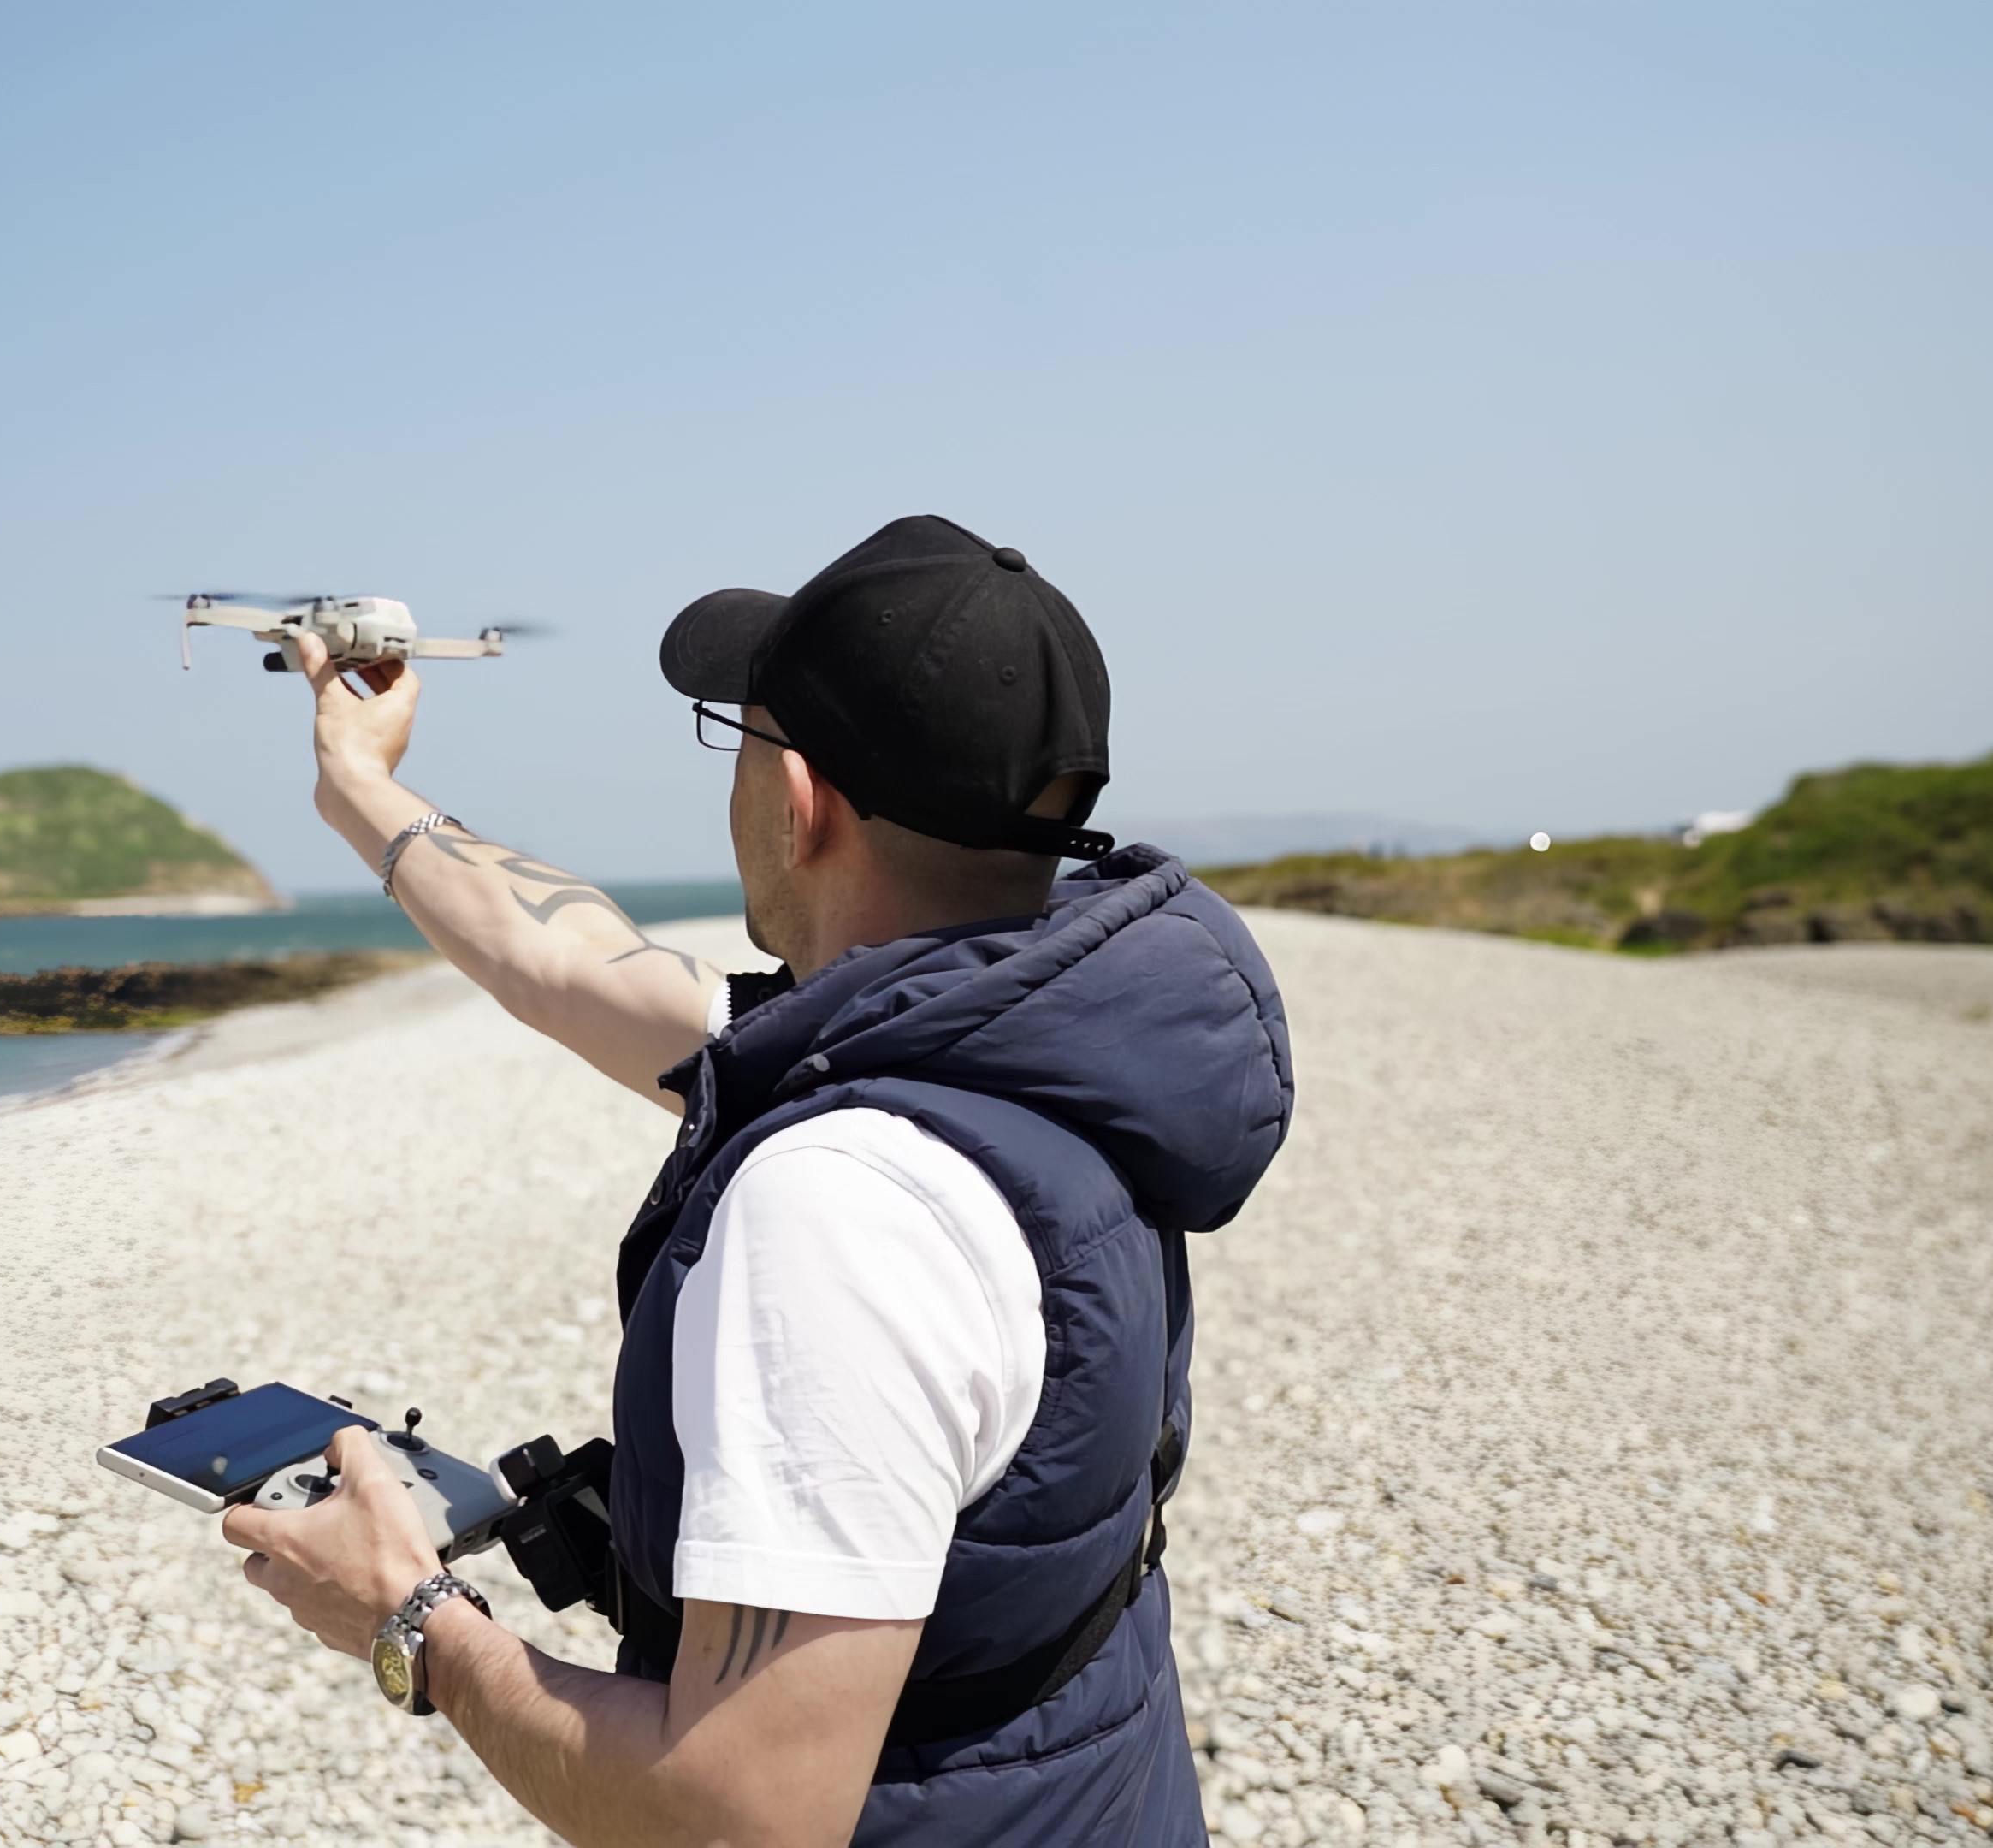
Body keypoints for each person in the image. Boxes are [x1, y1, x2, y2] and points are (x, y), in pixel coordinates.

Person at [222, 515, 1293, 1845]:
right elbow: (572, 961)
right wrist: (361, 786)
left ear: (803, 799)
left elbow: (741, 1815)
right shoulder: (1046, 1035)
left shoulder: (839, 1209)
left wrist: (411, 1621)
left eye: (742, 731)